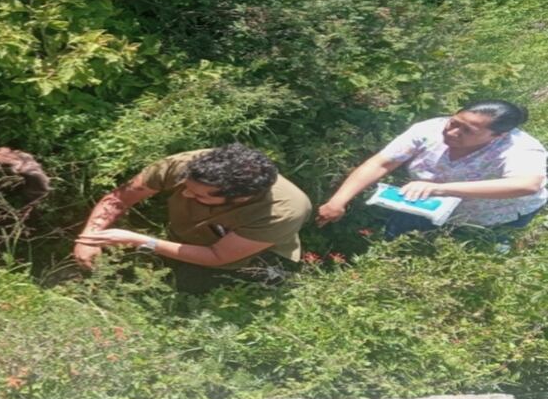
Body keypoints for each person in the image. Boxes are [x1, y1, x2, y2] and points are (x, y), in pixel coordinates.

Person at [74, 144, 312, 294]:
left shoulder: (283, 210)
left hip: (246, 259)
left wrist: (140, 241)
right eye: (187, 187)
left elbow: (216, 256)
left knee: (181, 292)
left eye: (199, 195)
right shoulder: (186, 166)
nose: (186, 194)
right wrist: (88, 239)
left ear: (238, 198)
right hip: (189, 237)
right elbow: (118, 199)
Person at [317, 100, 547, 238]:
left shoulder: (521, 148)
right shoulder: (429, 130)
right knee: (398, 241)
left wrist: (440, 189)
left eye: (467, 131)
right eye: (454, 122)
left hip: (492, 215)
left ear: (498, 135)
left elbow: (527, 184)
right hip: (424, 205)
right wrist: (338, 201)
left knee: (472, 254)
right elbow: (382, 162)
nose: (452, 132)